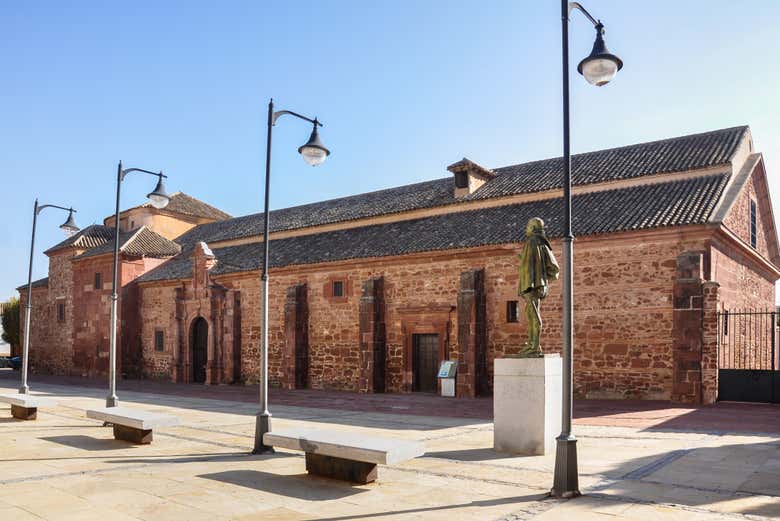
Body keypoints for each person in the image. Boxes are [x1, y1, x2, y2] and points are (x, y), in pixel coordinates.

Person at [517, 217, 560, 357]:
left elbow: (529, 264)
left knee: (533, 314)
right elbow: (553, 267)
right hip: (538, 284)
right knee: (531, 313)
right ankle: (531, 343)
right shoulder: (543, 243)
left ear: (534, 228)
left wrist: (532, 279)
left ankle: (534, 346)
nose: (526, 229)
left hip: (531, 285)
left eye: (529, 226)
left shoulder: (532, 242)